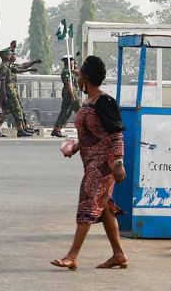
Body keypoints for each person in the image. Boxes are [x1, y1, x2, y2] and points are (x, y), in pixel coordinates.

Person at [51, 55, 128, 271]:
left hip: (103, 166)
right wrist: (74, 148)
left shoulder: (105, 102)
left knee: (87, 203)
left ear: (85, 77)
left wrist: (119, 162)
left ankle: (72, 255)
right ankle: (119, 254)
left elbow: (116, 135)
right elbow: (92, 135)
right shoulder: (89, 102)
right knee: (105, 210)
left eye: (79, 75)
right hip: (91, 162)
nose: (76, 78)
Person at [51, 55, 81, 138]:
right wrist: (72, 96)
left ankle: (56, 129)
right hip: (69, 94)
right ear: (69, 62)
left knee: (66, 113)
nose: (74, 63)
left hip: (71, 94)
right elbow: (68, 84)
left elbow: (77, 73)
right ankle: (86, 130)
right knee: (80, 112)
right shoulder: (66, 72)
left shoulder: (70, 71)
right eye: (72, 61)